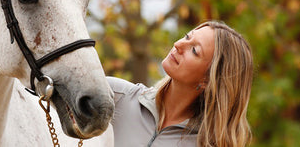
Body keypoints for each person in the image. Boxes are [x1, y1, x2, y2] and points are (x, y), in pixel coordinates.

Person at [107, 20, 254, 147]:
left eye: (194, 50)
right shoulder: (116, 96)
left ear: (208, 80)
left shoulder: (205, 143)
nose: (178, 44)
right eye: (186, 37)